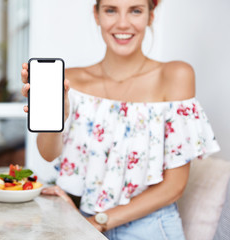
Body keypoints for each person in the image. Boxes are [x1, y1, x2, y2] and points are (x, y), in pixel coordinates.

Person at [21, 0, 220, 239]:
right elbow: (48, 153)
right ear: (96, 14)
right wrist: (58, 119)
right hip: (86, 222)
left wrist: (98, 223)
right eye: (111, 10)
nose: (123, 23)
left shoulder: (176, 76)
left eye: (135, 10)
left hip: (150, 228)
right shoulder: (71, 80)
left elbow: (174, 186)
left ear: (151, 16)